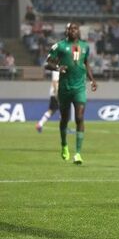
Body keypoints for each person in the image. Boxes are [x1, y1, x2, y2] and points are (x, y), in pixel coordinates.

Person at [44, 22, 97, 164]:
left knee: (80, 117)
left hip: (79, 87)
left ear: (78, 31)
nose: (73, 31)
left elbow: (86, 63)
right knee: (65, 119)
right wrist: (57, 67)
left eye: (75, 29)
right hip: (64, 88)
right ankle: (64, 145)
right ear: (66, 31)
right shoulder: (59, 46)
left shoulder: (85, 46)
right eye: (70, 29)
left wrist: (92, 80)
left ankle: (78, 154)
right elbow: (47, 63)